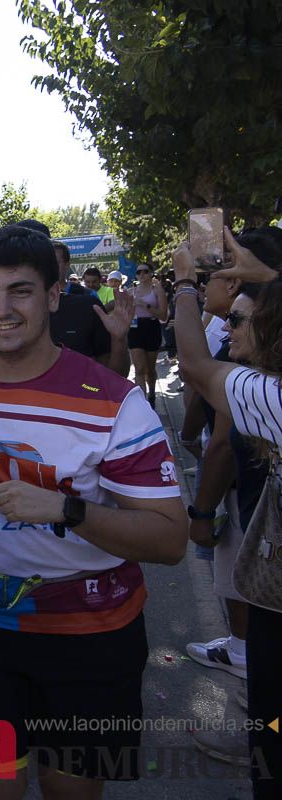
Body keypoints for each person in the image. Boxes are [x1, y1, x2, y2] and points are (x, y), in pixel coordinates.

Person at [0, 224, 185, 798]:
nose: (2, 309)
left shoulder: (115, 401)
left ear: (55, 296)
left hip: (87, 635)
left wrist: (67, 510)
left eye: (20, 291)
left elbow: (168, 539)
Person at [173, 228, 282, 791]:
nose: (230, 330)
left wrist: (186, 285)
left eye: (239, 321)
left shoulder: (270, 397)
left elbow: (193, 363)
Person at [16, 221, 133, 378]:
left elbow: (115, 376)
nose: (29, 263)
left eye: (36, 254)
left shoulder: (86, 305)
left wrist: (119, 339)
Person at [128, 262, 169, 406]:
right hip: (135, 328)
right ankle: (142, 402)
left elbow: (163, 316)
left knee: (150, 369)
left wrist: (145, 305)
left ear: (151, 273)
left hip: (151, 327)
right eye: (138, 272)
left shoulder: (157, 290)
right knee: (139, 368)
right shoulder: (131, 291)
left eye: (145, 271)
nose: (141, 275)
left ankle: (152, 393)